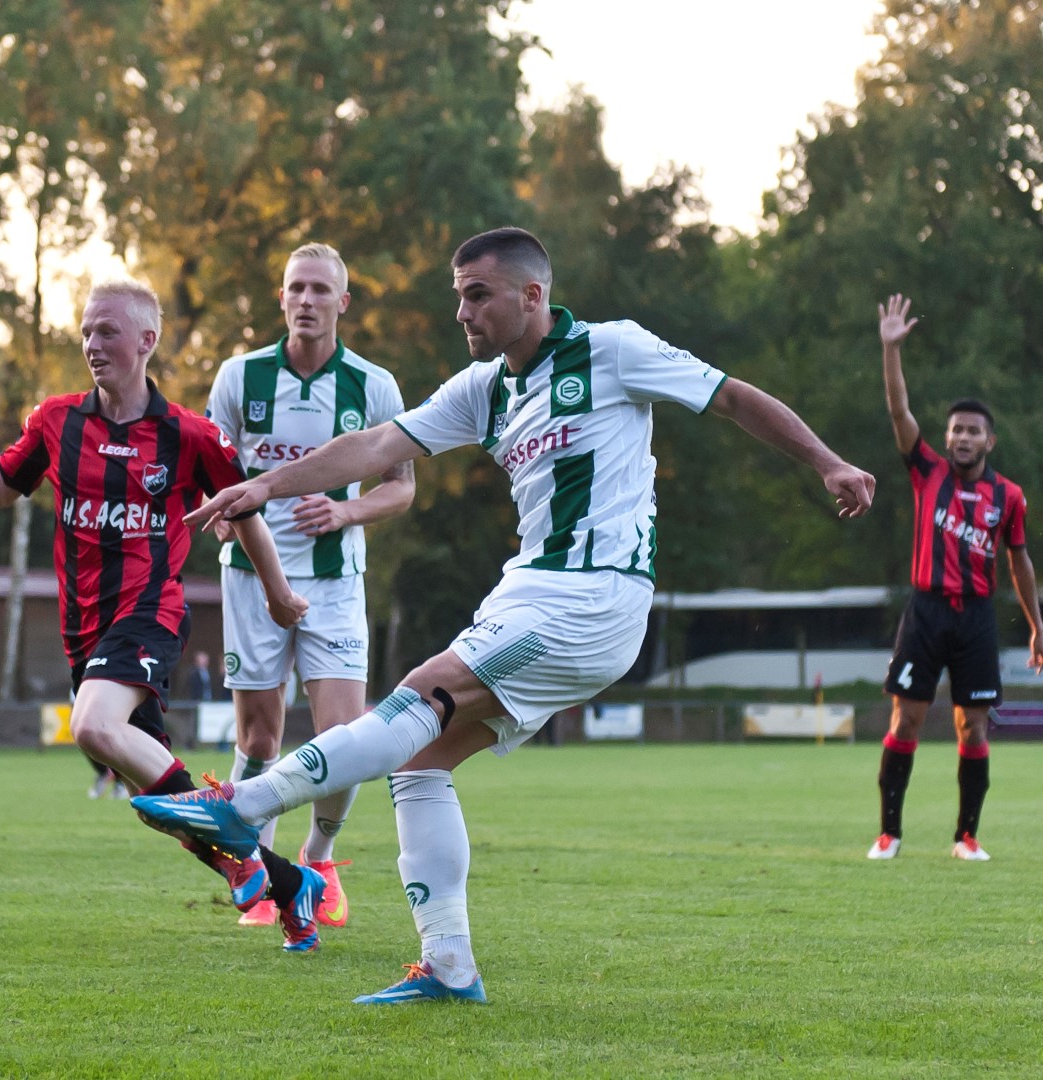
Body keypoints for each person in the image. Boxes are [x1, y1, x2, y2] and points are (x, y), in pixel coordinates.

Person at [134, 227, 875, 1003]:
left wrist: (827, 461)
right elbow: (376, 444)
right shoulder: (484, 388)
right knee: (420, 766)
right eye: (458, 294)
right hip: (531, 592)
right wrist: (263, 488)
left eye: (476, 294)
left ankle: (240, 808)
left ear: (532, 295)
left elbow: (731, 397)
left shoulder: (611, 349)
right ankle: (448, 967)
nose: (461, 311)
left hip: (593, 596)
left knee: (420, 692)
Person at [0, 278, 332, 951]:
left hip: (150, 611)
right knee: (163, 807)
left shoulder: (189, 435)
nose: (92, 344)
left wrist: (275, 593)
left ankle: (240, 843)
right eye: (88, 331)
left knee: (94, 728)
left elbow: (244, 516)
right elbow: (0, 490)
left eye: (108, 332)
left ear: (146, 342)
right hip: (83, 632)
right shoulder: (54, 422)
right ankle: (287, 882)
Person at [205, 241, 414, 929]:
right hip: (249, 580)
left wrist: (347, 509)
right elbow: (217, 475)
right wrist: (226, 519)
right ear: (281, 299)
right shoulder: (238, 378)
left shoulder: (373, 387)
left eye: (321, 290)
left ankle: (318, 860)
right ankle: (260, 873)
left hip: (335, 582)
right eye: (296, 288)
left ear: (342, 303)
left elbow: (400, 488)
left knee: (346, 740)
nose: (306, 300)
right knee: (260, 737)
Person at [867, 295, 1042, 863]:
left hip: (976, 618)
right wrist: (891, 349)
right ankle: (888, 833)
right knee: (908, 718)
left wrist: (1037, 626)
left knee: (973, 730)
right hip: (925, 611)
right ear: (946, 438)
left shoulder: (1008, 496)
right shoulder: (926, 472)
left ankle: (967, 836)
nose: (963, 438)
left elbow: (1018, 561)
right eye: (956, 430)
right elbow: (899, 413)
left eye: (973, 431)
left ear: (990, 441)